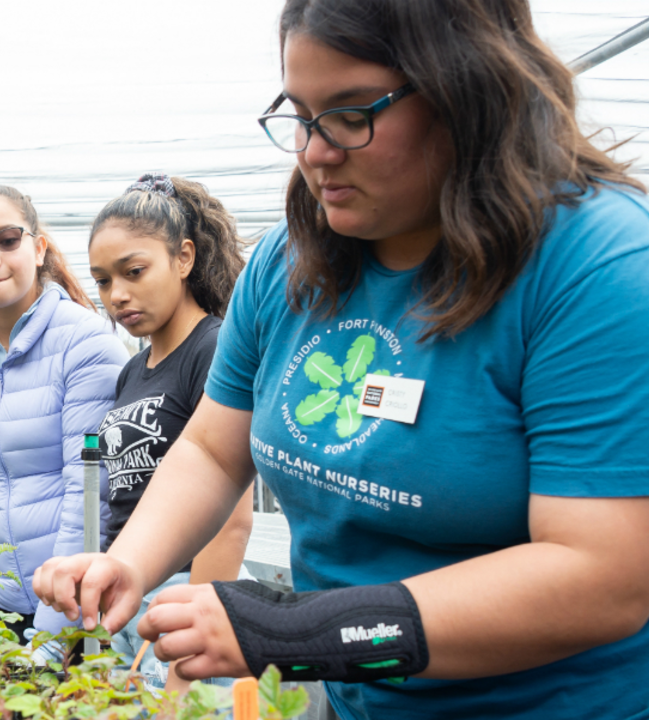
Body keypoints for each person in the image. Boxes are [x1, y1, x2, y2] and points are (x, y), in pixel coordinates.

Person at [32, 0, 649, 718]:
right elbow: (210, 448)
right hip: (355, 697)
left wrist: (292, 628)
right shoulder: (288, 262)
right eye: (301, 113)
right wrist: (128, 562)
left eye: (353, 113)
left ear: (469, 93)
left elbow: (602, 578)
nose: (315, 152)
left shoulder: (595, 265)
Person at [0, 184, 129, 641]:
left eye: (7, 239)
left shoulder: (84, 344)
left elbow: (88, 498)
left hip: (72, 611)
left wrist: (52, 636)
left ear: (38, 248)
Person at [87, 173, 254, 692]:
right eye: (103, 280)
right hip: (134, 598)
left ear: (184, 258)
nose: (118, 294)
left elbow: (231, 520)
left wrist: (188, 666)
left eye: (134, 271)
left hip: (191, 602)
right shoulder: (133, 371)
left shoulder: (214, 350)